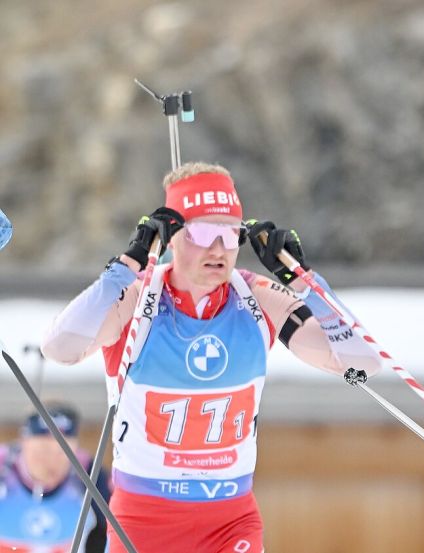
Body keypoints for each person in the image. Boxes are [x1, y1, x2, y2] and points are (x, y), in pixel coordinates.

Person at [41, 162, 381, 553]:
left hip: (229, 519)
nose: (219, 249)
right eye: (204, 231)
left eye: (230, 234)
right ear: (173, 236)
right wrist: (125, 266)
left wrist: (306, 283)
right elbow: (60, 349)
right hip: (143, 520)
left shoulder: (257, 297)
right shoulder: (137, 298)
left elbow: (359, 366)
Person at [0, 404, 111, 553]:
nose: (51, 461)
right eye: (43, 450)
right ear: (24, 443)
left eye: (62, 452)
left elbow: (111, 534)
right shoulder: (3, 468)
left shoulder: (90, 474)